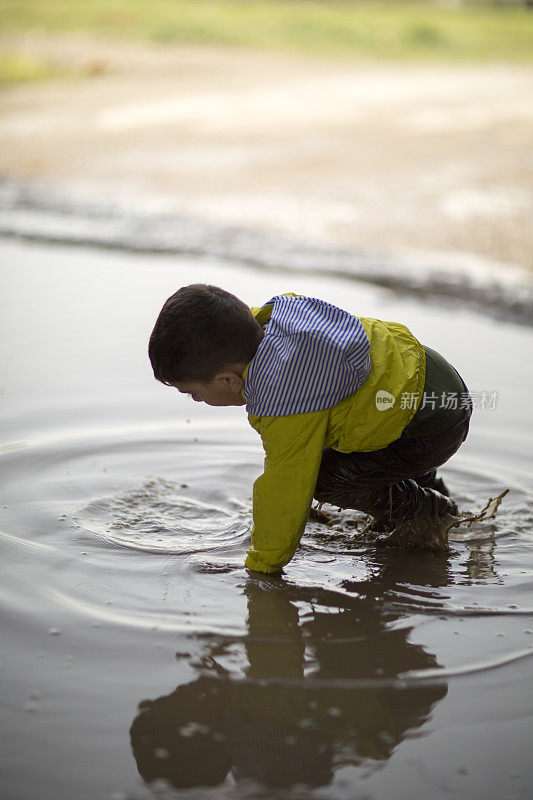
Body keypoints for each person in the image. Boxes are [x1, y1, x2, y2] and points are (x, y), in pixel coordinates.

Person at [148, 285, 471, 574]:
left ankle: (428, 511)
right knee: (351, 424)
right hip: (426, 373)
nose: (197, 401)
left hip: (428, 425)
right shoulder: (270, 323)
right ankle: (424, 487)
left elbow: (286, 485)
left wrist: (263, 562)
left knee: (322, 477)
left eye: (194, 393)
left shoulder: (283, 396)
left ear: (229, 381)